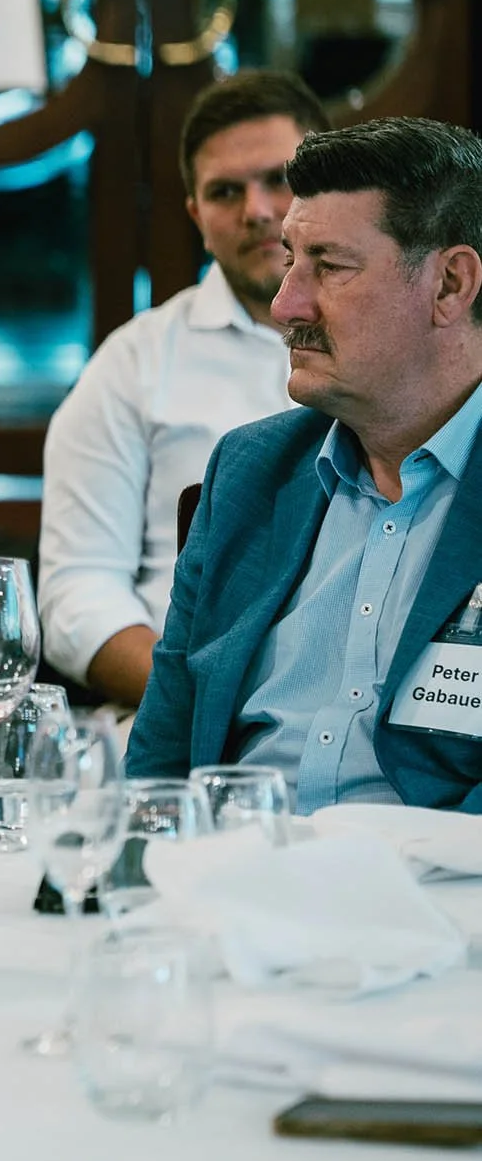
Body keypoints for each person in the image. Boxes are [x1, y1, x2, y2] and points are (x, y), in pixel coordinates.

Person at [127, 116, 482, 813]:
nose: (287, 302)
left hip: (436, 902)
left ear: (450, 285)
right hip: (231, 885)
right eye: (291, 258)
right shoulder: (251, 472)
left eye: (330, 265)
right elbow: (162, 757)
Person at [39, 72, 327, 708]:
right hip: (183, 712)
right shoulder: (134, 364)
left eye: (280, 179)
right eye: (226, 192)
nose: (257, 210)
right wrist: (197, 703)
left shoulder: (411, 351)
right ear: (197, 215)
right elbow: (76, 594)